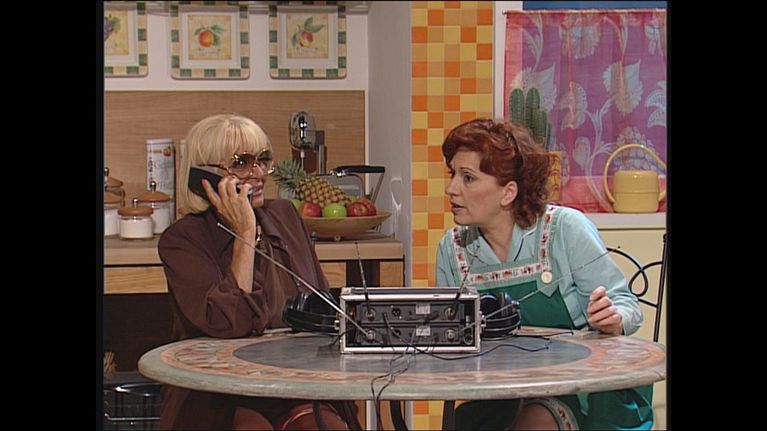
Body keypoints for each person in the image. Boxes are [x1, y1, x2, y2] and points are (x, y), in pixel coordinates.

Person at [435, 118, 653, 430]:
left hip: (586, 392)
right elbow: (449, 339)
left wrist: (613, 318)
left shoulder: (565, 229)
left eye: (467, 178)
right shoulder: (452, 248)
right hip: (501, 394)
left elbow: (626, 304)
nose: (451, 188)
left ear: (508, 192)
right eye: (453, 174)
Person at [157, 114, 360, 430]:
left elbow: (320, 309)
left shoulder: (285, 216)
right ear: (204, 176)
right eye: (242, 163)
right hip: (219, 391)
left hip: (295, 382)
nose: (259, 173)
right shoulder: (183, 239)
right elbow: (227, 324)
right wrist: (245, 232)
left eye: (263, 160)